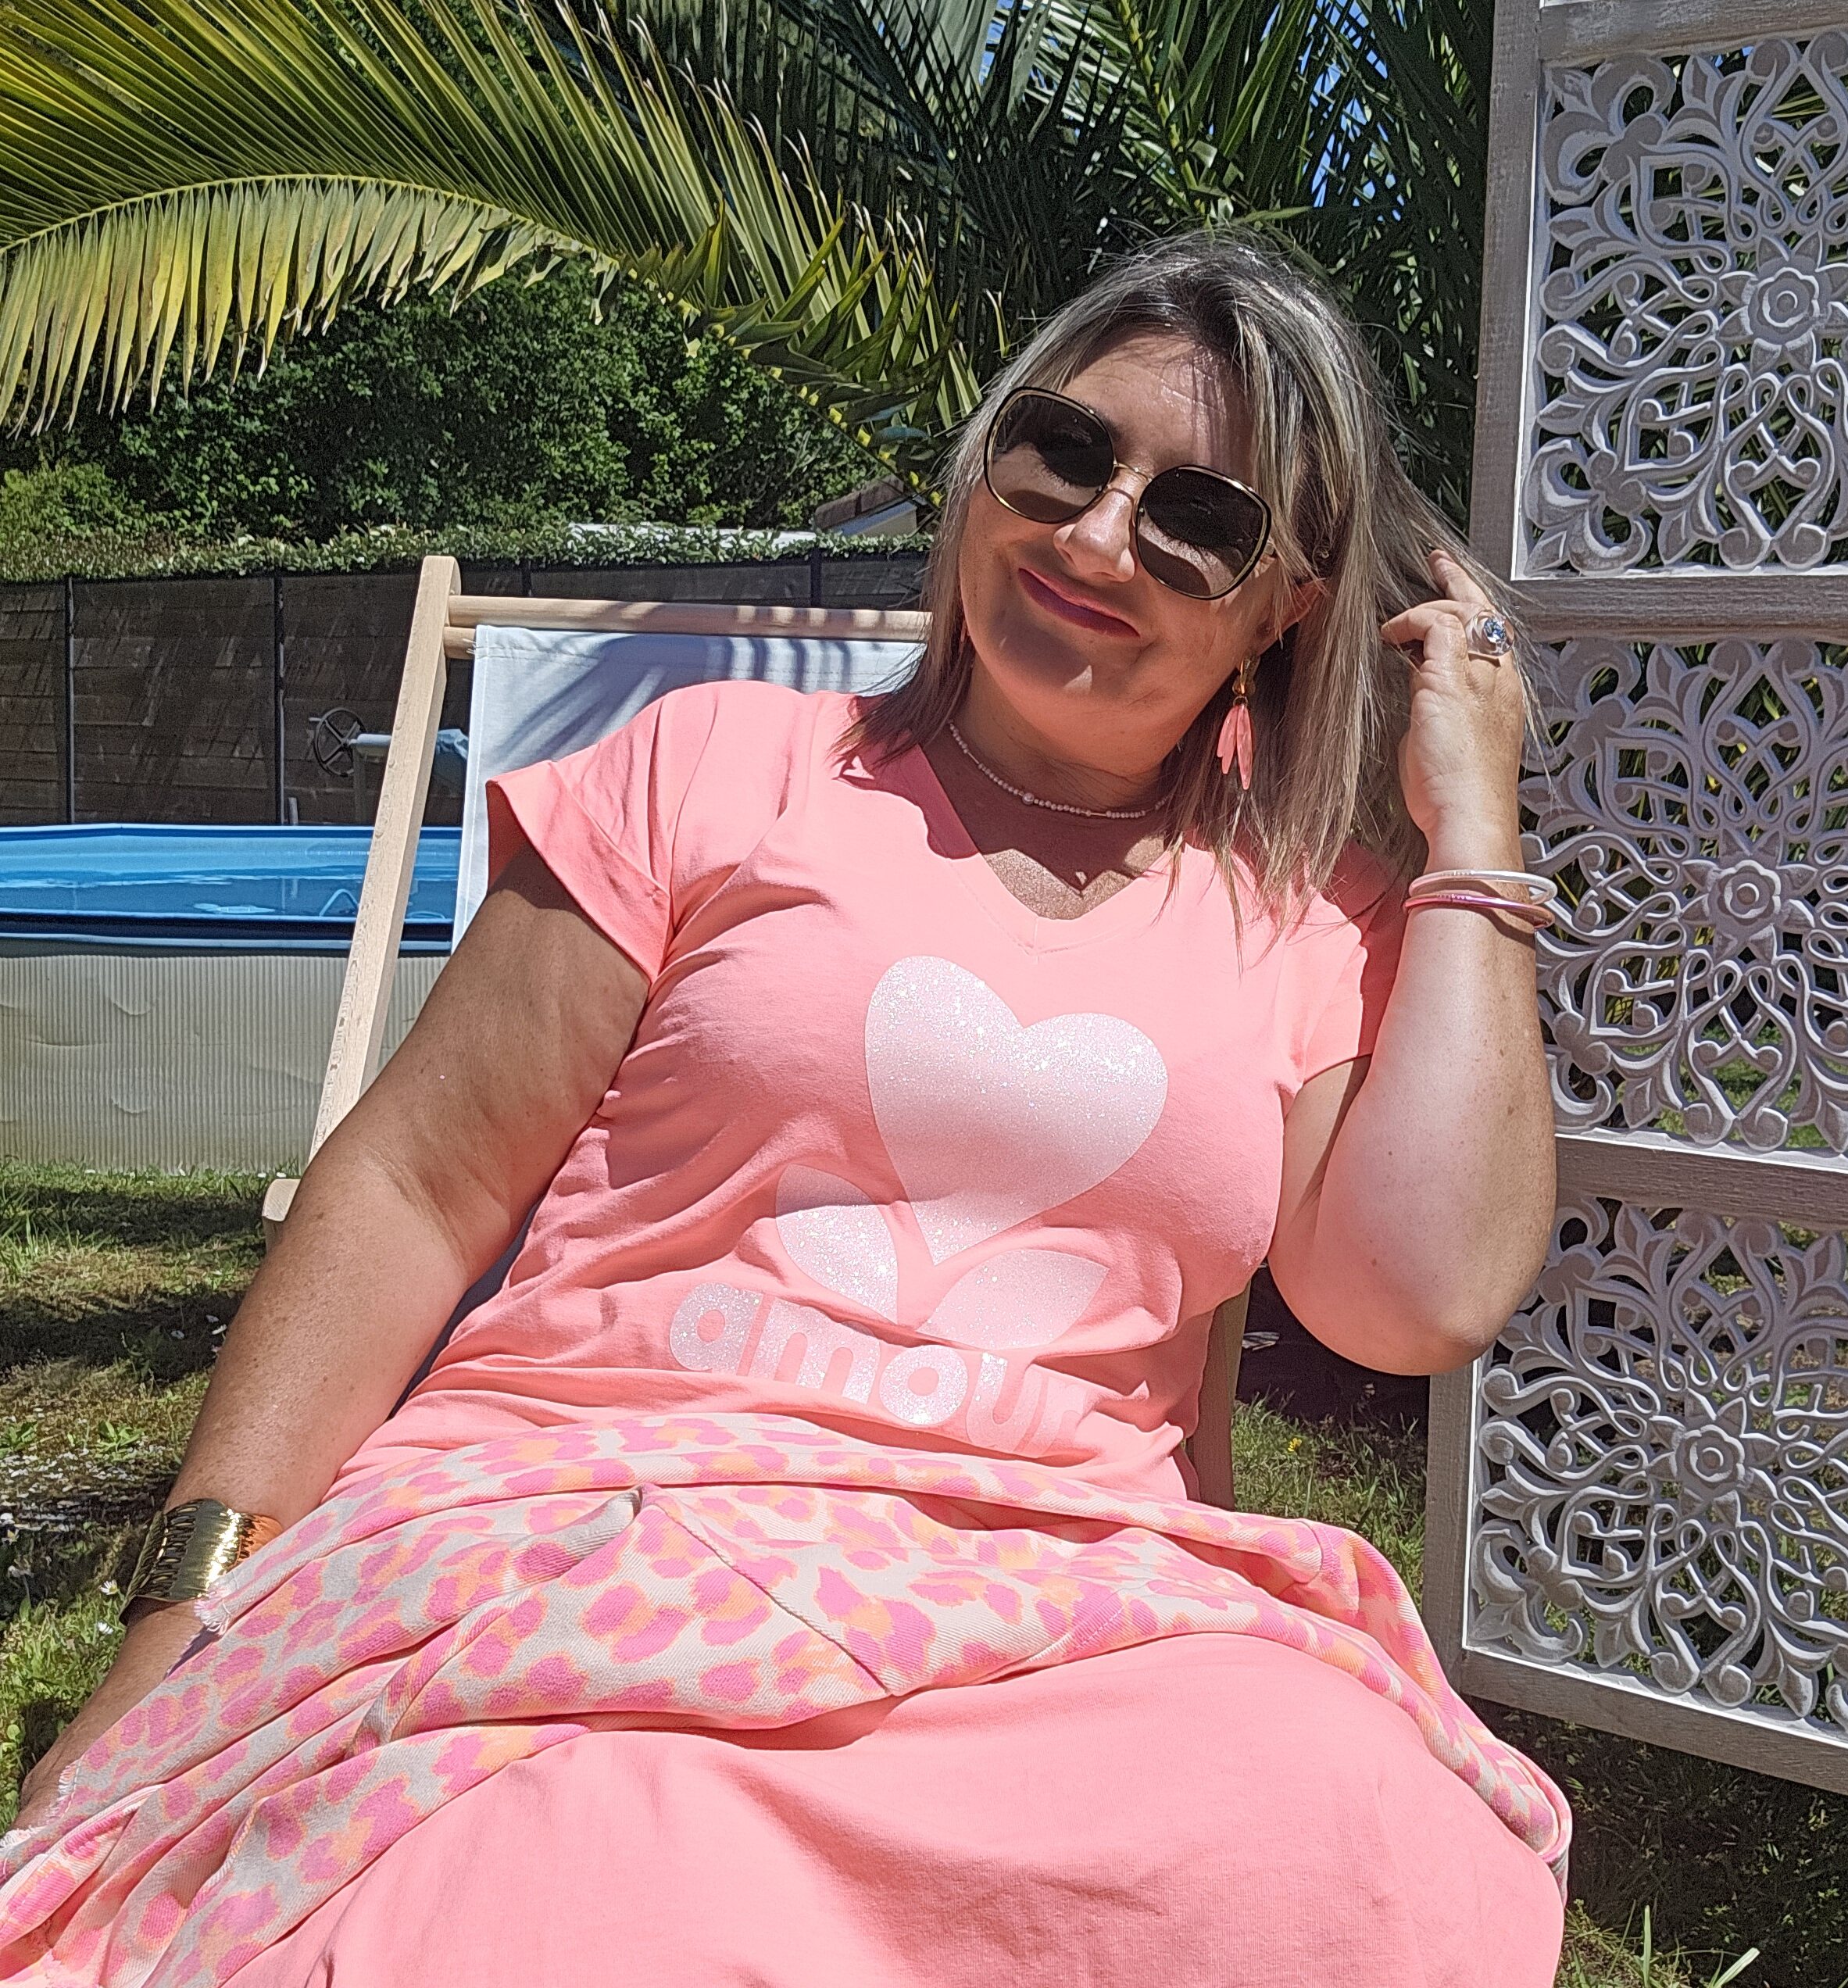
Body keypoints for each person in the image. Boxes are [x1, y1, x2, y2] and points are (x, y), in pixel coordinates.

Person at [2, 227, 1571, 1986]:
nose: (1095, 536)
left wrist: (1471, 826)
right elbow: (415, 1191)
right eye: (1063, 452)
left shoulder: (1310, 916)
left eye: (1199, 519)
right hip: (603, 1525)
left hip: (1062, 1611)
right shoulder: (716, 769)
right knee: (567, 1885)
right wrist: (185, 1613)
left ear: (1288, 603)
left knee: (1351, 1837)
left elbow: (1419, 1296)